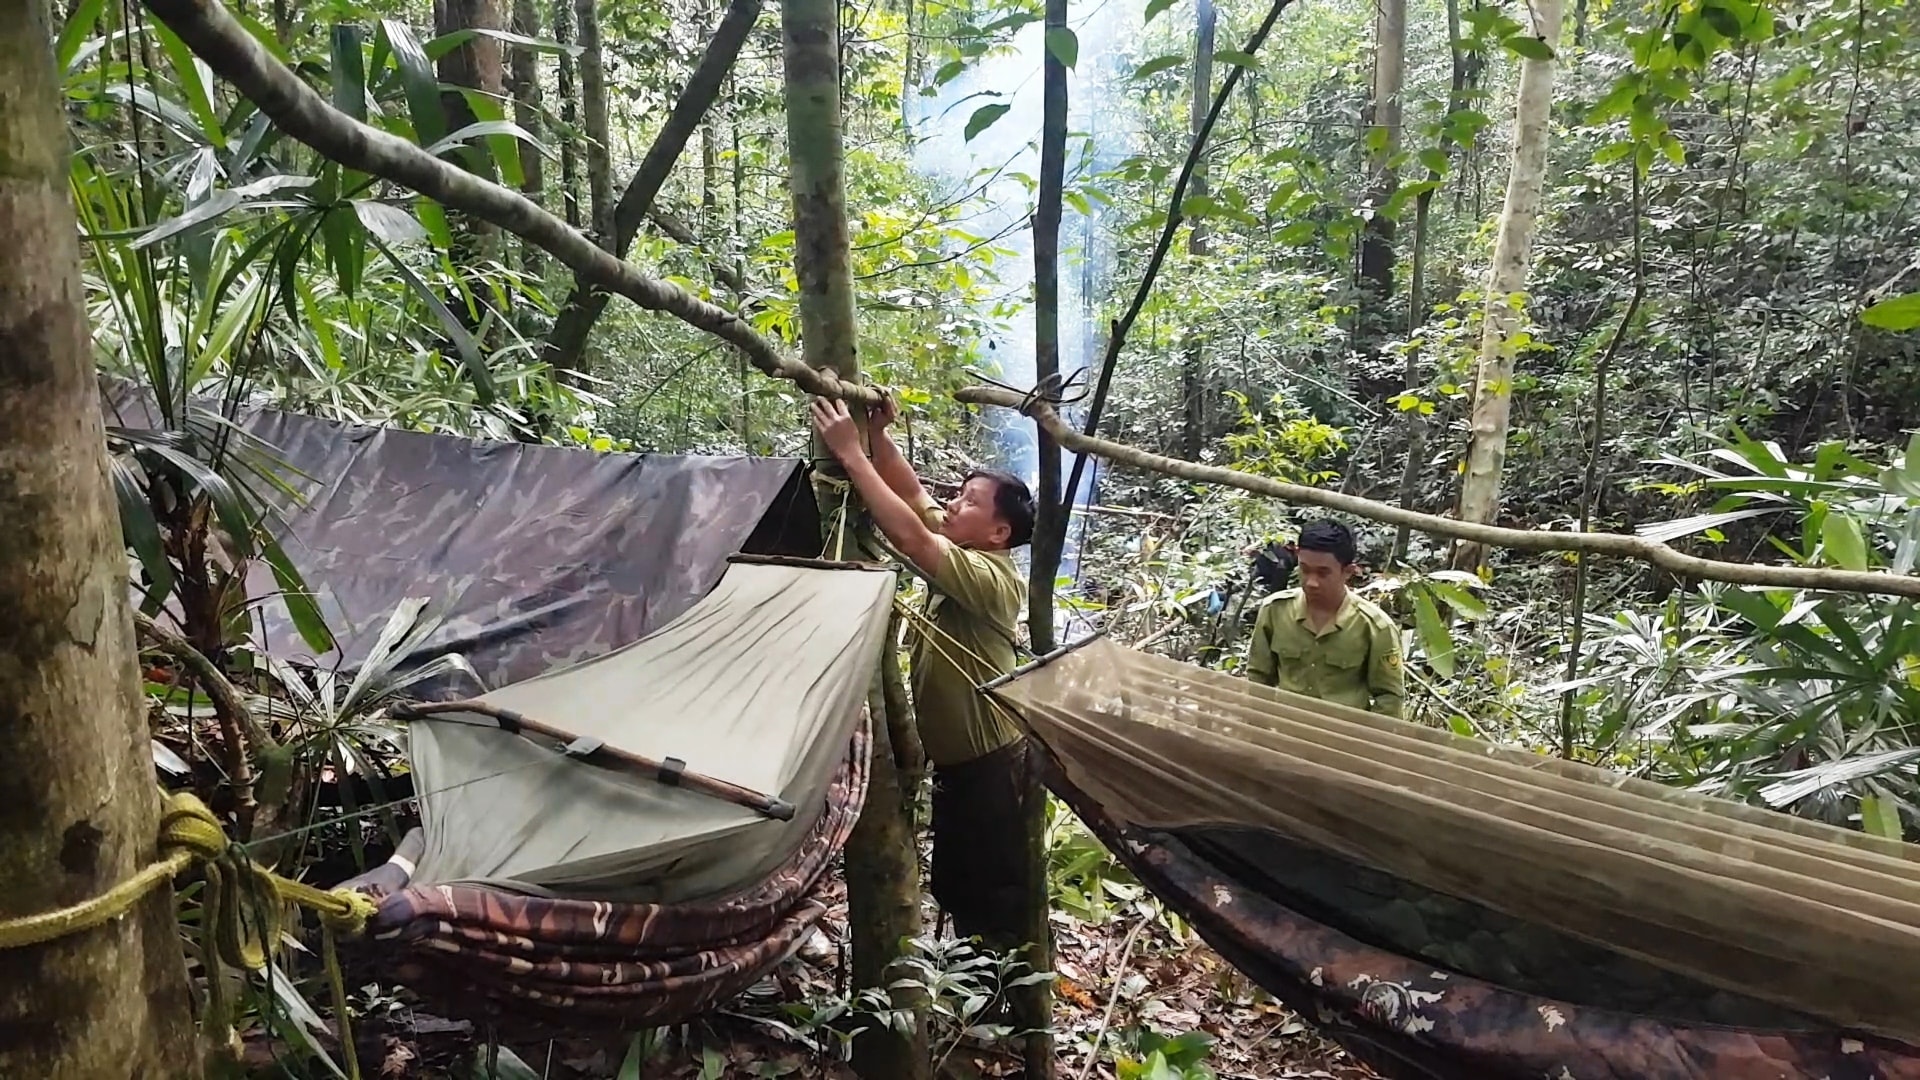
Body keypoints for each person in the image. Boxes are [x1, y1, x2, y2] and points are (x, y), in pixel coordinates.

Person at [809, 394, 1040, 952]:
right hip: (962, 770)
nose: (952, 505)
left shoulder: (991, 578)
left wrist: (851, 455)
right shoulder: (966, 544)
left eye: (969, 501)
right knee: (960, 882)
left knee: (990, 891)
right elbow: (913, 497)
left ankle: (1003, 1004)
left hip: (990, 770)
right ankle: (978, 988)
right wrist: (880, 437)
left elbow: (912, 537)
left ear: (999, 533)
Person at [1245, 519, 1405, 717]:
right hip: (1284, 733)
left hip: (1342, 740)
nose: (1312, 582)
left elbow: (1389, 698)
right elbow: (1257, 679)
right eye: (1305, 569)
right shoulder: (1275, 611)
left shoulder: (1374, 627)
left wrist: (1368, 744)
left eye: (1323, 573)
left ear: (1347, 572)